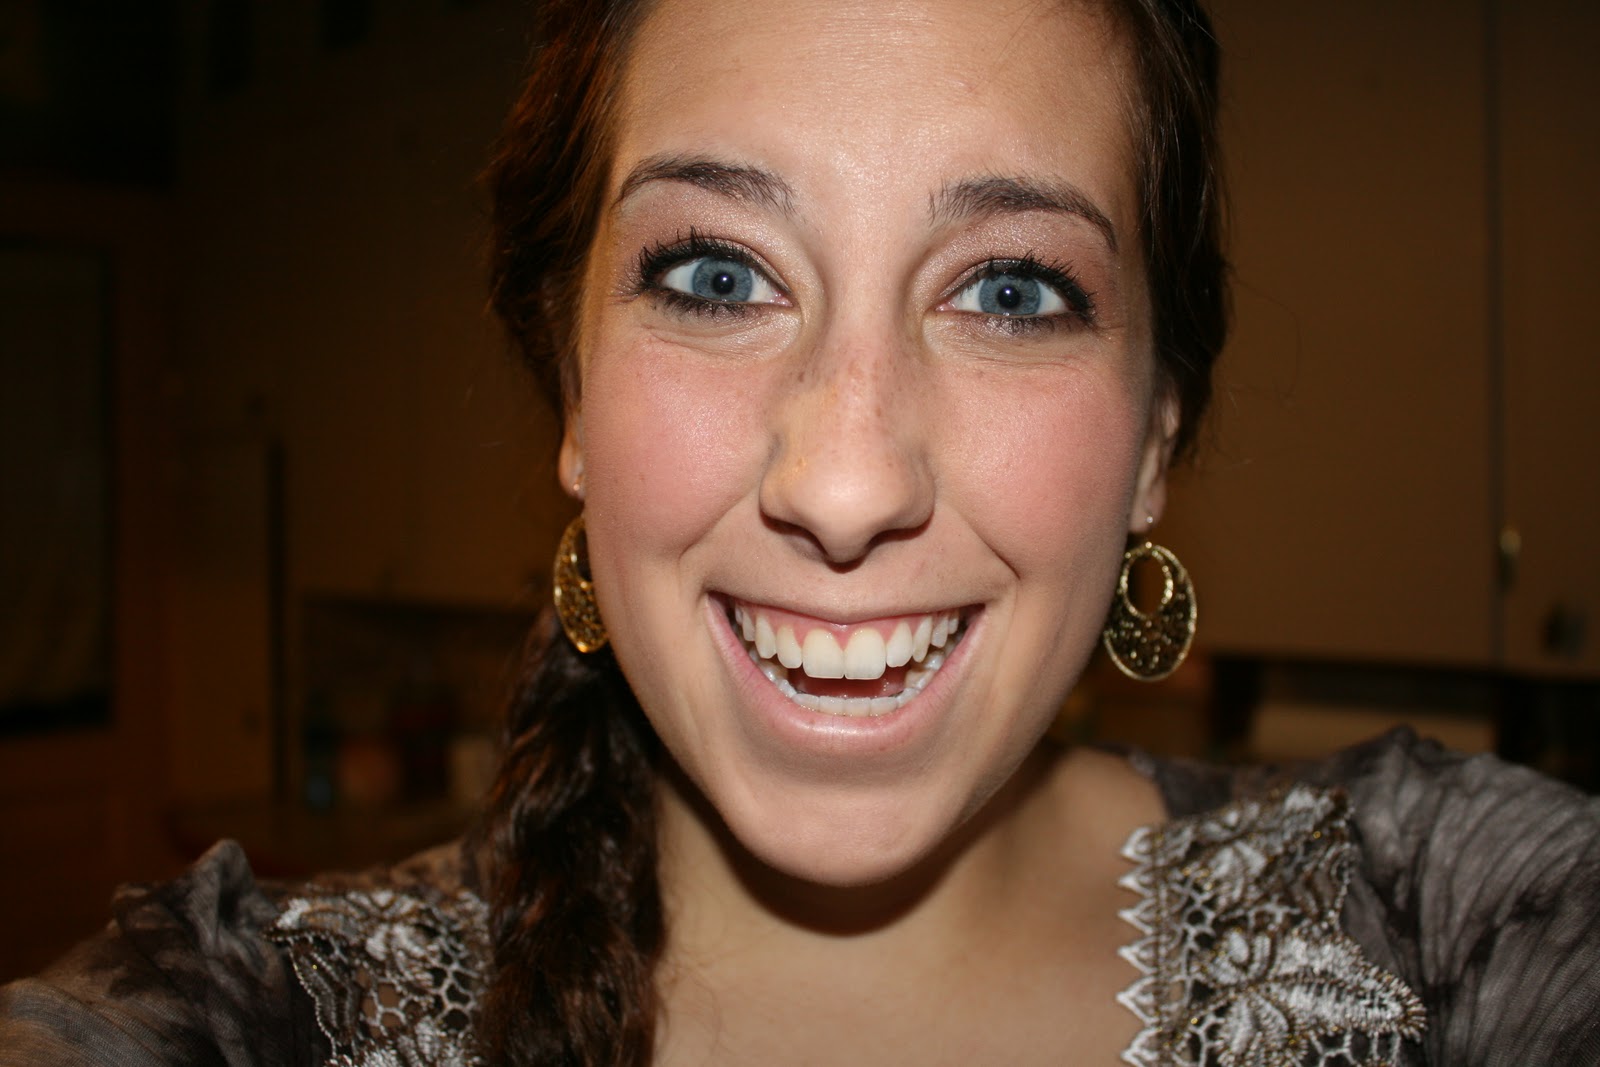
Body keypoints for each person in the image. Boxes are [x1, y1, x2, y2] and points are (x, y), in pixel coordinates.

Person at [3, 0, 1598, 1064]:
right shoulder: (269, 1016)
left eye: (1010, 289)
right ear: (570, 383)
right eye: (717, 275)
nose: (844, 485)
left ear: (1157, 439)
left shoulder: (1451, 927)